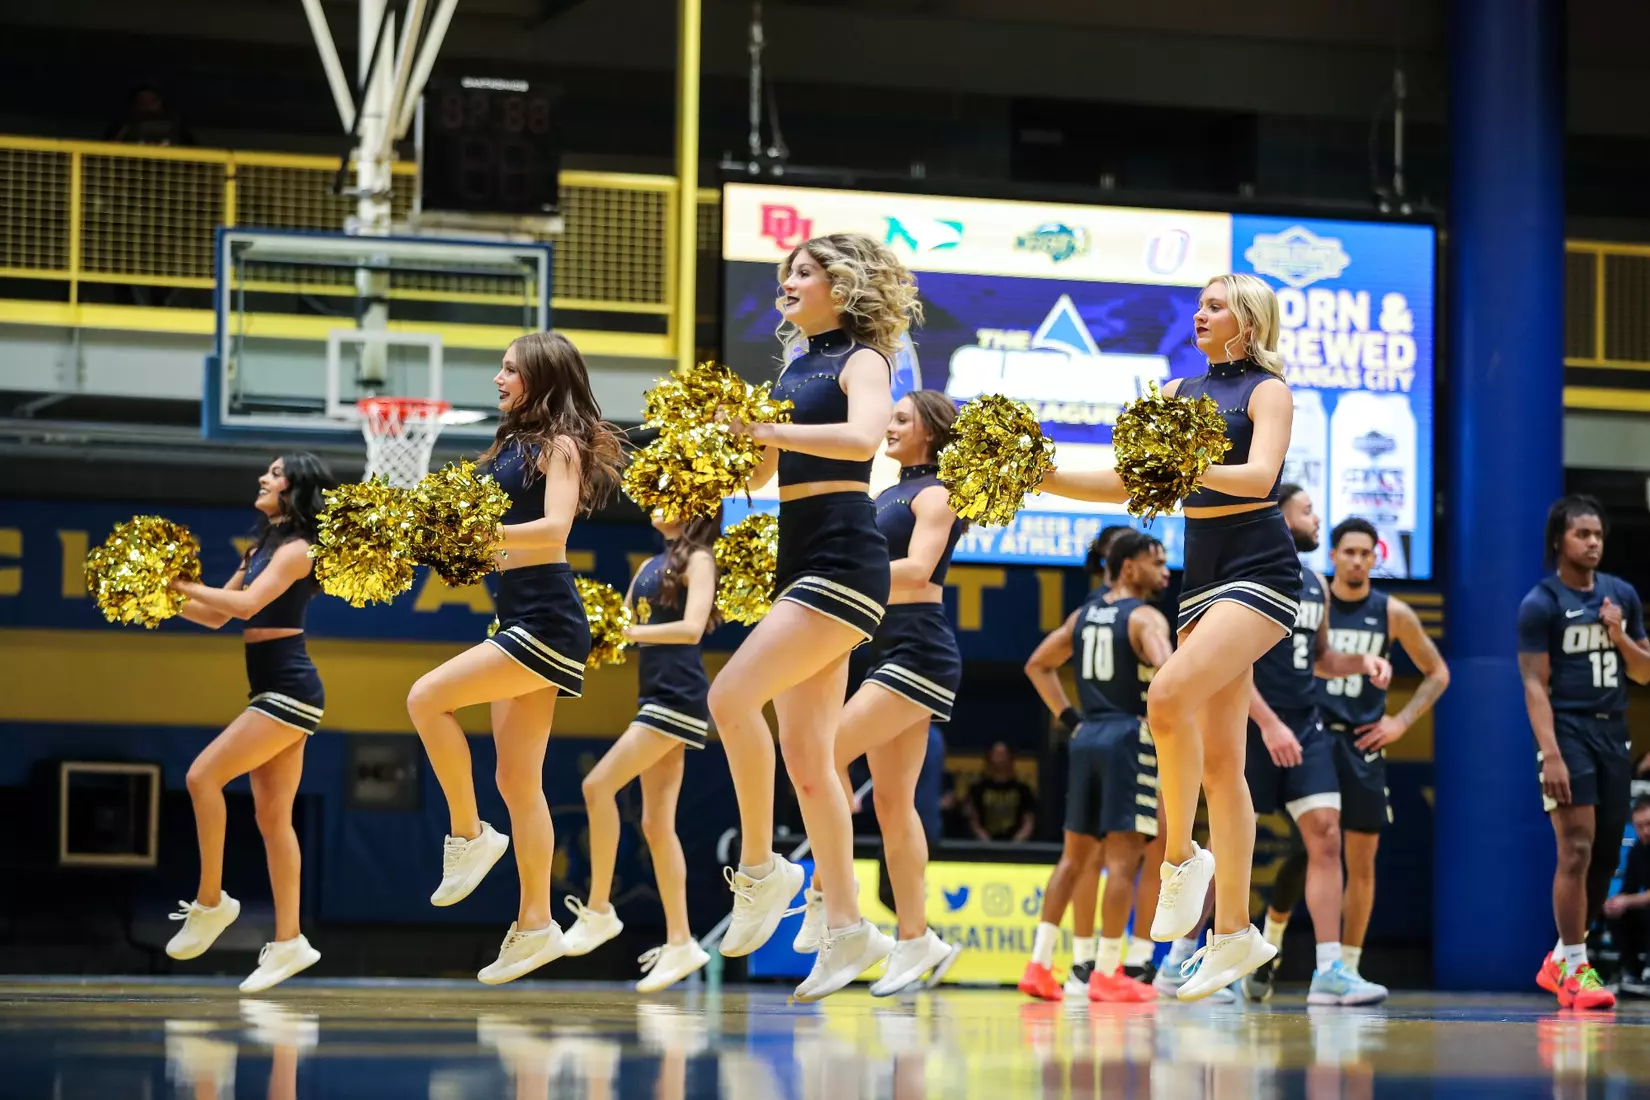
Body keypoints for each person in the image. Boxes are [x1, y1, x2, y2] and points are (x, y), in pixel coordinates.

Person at [1038, 273, 1300, 1000]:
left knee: (1168, 696)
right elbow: (1130, 480)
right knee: (1222, 766)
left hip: (1260, 571)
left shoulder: (1266, 393)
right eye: (1201, 304)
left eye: (1216, 306)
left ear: (1246, 321)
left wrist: (1185, 464)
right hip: (1205, 578)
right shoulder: (1182, 394)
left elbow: (1259, 477)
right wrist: (1044, 476)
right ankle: (1234, 934)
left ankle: (1181, 859)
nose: (1200, 314)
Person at [713, 232, 921, 1001]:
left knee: (728, 698)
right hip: (798, 555)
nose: (788, 282)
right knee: (808, 756)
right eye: (787, 273)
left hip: (842, 555)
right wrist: (715, 450)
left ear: (843, 286)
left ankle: (763, 870)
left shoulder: (863, 360)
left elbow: (865, 437)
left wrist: (767, 429)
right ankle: (846, 928)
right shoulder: (797, 366)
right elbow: (767, 470)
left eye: (804, 272)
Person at [405, 331, 624, 984]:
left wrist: (474, 533)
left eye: (509, 369)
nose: (498, 379)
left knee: (425, 698)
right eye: (499, 368)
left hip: (547, 620)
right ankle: (534, 925)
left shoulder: (559, 445)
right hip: (518, 614)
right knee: (518, 782)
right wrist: (447, 545)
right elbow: (497, 548)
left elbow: (555, 532)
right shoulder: (508, 445)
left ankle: (470, 835)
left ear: (542, 377)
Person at [803, 390, 966, 995]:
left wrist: (842, 574)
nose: (889, 425)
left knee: (823, 754)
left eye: (901, 418)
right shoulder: (883, 493)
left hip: (919, 648)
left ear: (930, 430)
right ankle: (916, 937)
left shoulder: (938, 493)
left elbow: (921, 569)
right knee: (894, 807)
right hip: (885, 645)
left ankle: (825, 895)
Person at [162, 453, 337, 992]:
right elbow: (216, 614)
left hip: (289, 690)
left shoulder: (299, 551)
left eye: (276, 472)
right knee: (272, 819)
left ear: (296, 488)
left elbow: (245, 606)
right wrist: (158, 594)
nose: (264, 477)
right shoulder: (259, 546)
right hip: (270, 689)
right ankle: (290, 941)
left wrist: (180, 583)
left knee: (202, 776)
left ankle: (212, 901)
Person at [1235, 486, 1393, 1005]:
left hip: (1305, 725)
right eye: (1307, 511)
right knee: (1229, 849)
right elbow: (1232, 663)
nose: (1316, 518)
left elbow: (1320, 658)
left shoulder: (1315, 584)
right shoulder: (1249, 573)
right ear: (1279, 519)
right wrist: (1269, 724)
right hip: (1252, 725)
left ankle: (1329, 971)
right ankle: (1192, 957)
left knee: (1326, 836)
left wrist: (1362, 663)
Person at [560, 509, 721, 992]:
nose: (655, 502)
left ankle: (599, 909)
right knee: (655, 824)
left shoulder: (700, 560)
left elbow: (692, 630)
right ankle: (681, 941)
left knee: (597, 786)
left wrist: (629, 634)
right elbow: (619, 626)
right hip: (654, 695)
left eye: (667, 492)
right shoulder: (648, 567)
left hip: (678, 696)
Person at [1020, 531, 1174, 1003]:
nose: (1165, 571)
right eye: (1157, 562)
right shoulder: (1146, 617)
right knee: (1123, 861)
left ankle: (1039, 965)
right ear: (1129, 567)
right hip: (1130, 736)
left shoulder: (1082, 616)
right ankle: (1109, 972)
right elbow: (1172, 676)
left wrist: (1070, 719)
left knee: (1074, 858)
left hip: (1086, 738)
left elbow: (1036, 665)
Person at [1519, 495, 1650, 1010]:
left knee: (1599, 862)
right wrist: (1549, 752)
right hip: (1567, 730)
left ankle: (1563, 959)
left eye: (1598, 535)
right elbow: (1534, 685)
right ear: (1560, 540)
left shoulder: (1622, 595)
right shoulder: (1542, 603)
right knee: (1574, 847)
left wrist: (1620, 636)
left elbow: (1643, 671)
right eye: (1582, 534)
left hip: (1613, 733)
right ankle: (1576, 966)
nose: (1593, 543)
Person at [1318, 516, 1450, 989]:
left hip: (1362, 743)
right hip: (1312, 737)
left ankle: (1348, 967)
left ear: (1376, 558)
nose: (1357, 560)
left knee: (1362, 858)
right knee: (1312, 851)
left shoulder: (1392, 611)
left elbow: (1438, 673)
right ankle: (1270, 941)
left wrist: (1400, 722)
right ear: (1332, 556)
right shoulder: (1316, 603)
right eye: (1348, 551)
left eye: (1365, 553)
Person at [1604, 798, 1650, 993]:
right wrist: (1613, 903)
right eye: (1639, 826)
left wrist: (1627, 900)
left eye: (1649, 824)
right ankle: (1631, 972)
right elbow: (1628, 889)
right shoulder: (1637, 851)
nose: (1645, 831)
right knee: (1618, 913)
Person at [966, 743, 1038, 842]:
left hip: (1016, 845)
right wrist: (986, 842)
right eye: (997, 754)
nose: (1000, 759)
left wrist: (1017, 842)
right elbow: (973, 820)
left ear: (1010, 759)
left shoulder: (1023, 790)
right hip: (984, 844)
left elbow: (1029, 820)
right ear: (989, 758)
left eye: (1003, 754)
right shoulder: (978, 789)